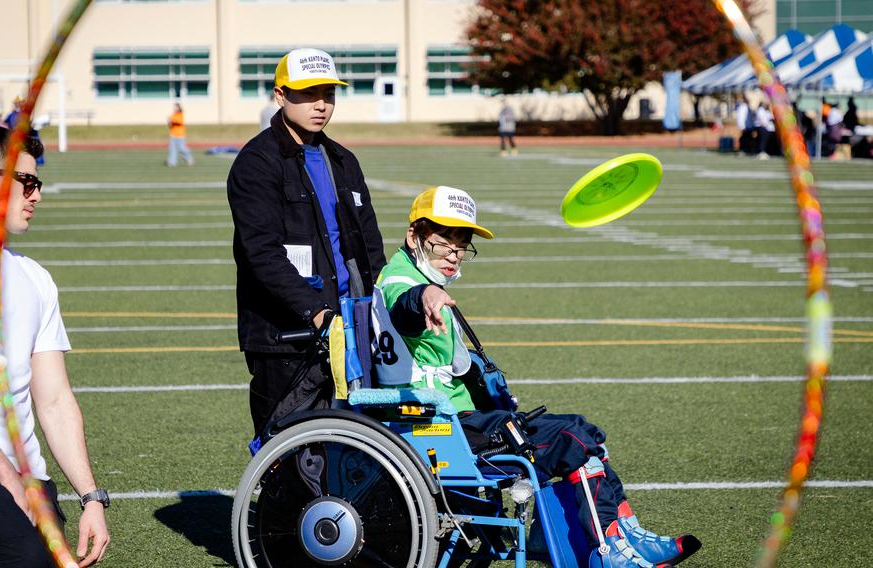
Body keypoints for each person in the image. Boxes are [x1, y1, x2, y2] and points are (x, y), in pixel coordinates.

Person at [373, 185, 701, 568]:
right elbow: (404, 306)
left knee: (585, 432)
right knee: (572, 439)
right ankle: (610, 552)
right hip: (438, 431)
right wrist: (425, 294)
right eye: (444, 240)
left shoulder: (413, 276)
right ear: (414, 235)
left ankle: (625, 535)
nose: (455, 254)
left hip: (457, 423)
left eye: (462, 244)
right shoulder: (402, 281)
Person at [0, 126, 110, 566]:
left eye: (37, 184)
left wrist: (91, 498)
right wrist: (7, 476)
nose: (37, 195)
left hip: (23, 481)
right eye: (27, 181)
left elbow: (55, 400)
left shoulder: (35, 279)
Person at [227, 48, 386, 438]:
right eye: (307, 93)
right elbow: (260, 253)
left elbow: (369, 245)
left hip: (351, 326)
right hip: (287, 339)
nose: (320, 104)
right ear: (280, 96)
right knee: (289, 450)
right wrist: (316, 312)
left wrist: (382, 306)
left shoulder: (343, 159)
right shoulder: (257, 162)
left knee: (353, 446)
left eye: (328, 94)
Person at [166, 102, 194, 167]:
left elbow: (179, 121)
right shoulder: (173, 115)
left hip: (180, 135)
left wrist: (171, 119)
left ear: (179, 108)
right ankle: (172, 162)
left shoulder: (181, 114)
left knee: (182, 148)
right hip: (173, 135)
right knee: (172, 149)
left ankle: (189, 158)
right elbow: (170, 125)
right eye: (174, 107)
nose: (174, 108)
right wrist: (169, 122)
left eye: (175, 107)